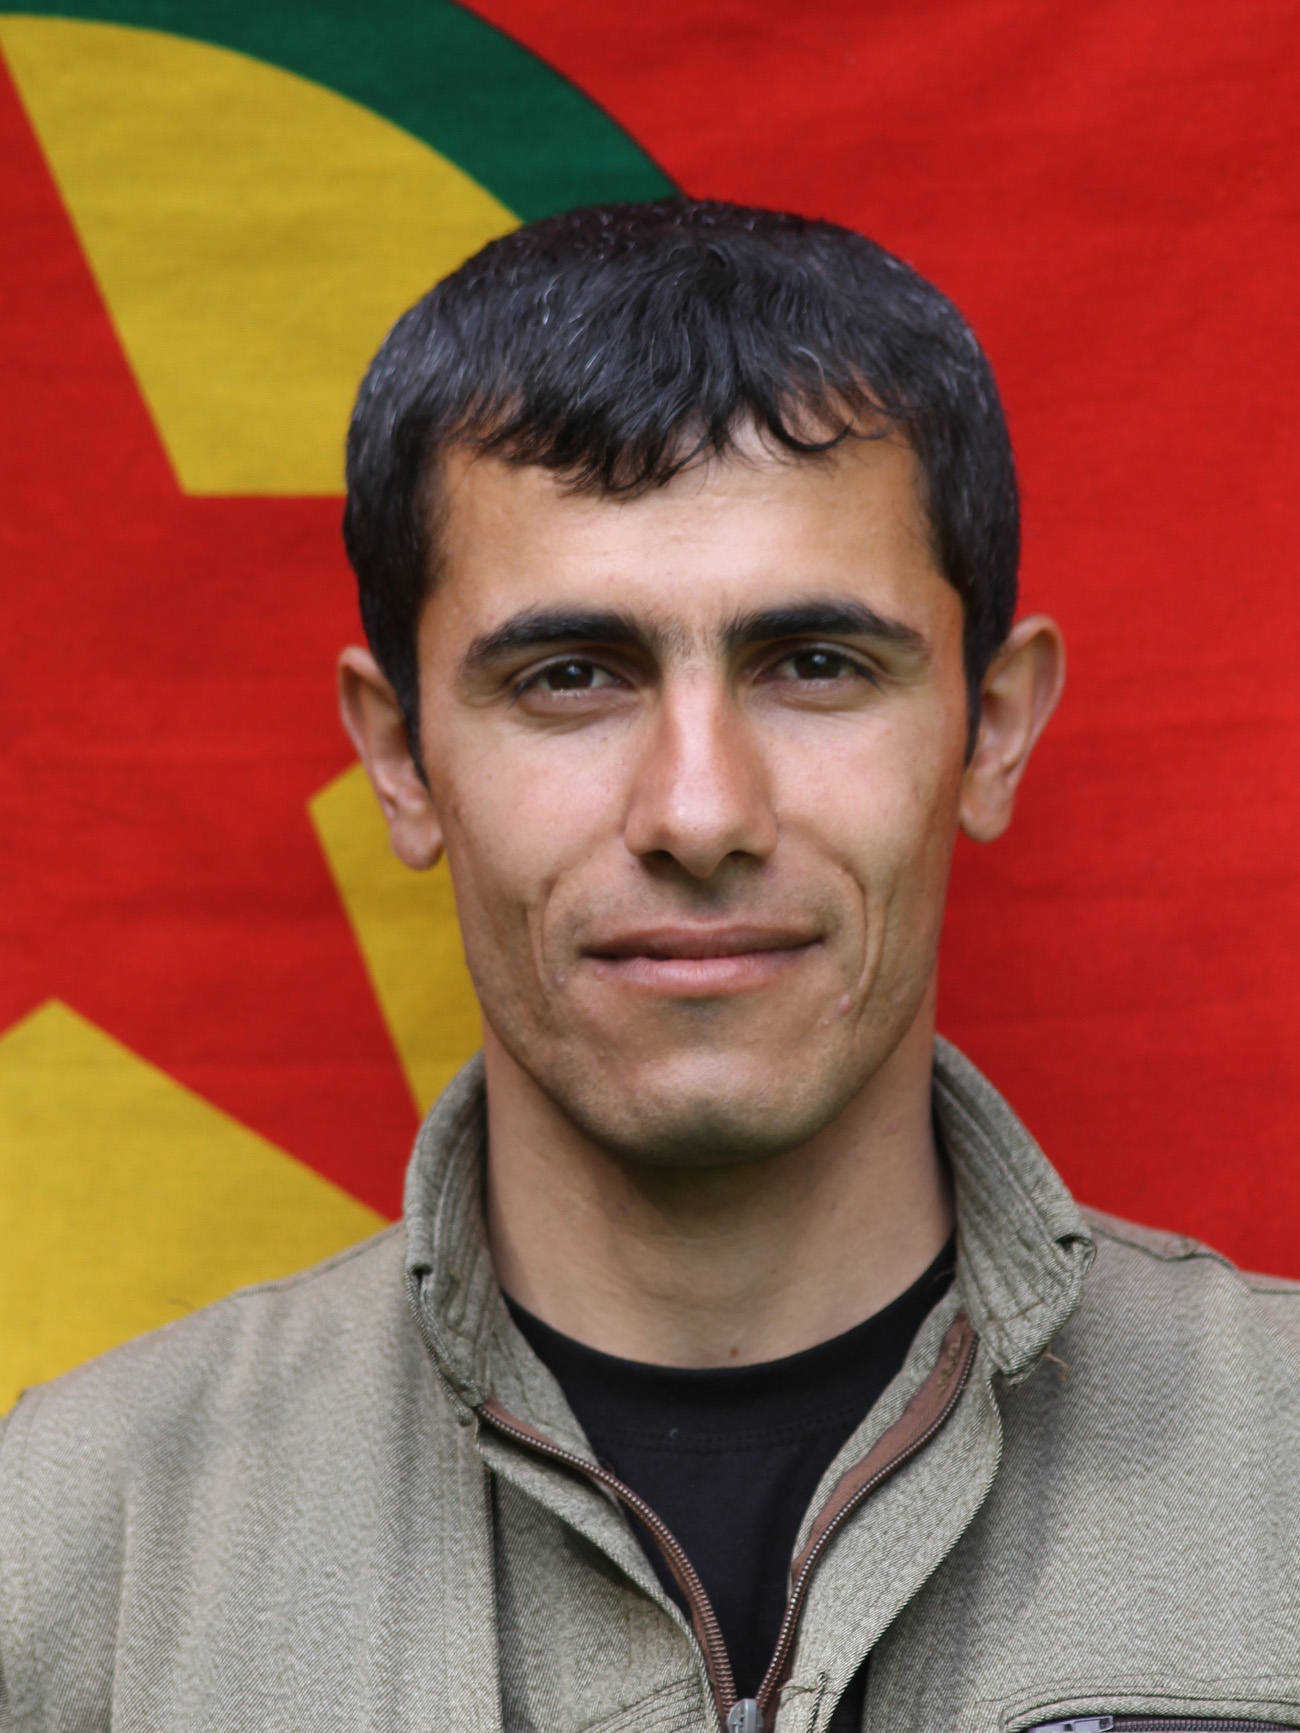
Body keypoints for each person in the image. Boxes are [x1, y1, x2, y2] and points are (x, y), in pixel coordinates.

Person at [2, 199, 1297, 1733]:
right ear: (401, 760)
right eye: (570, 675)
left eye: (815, 664)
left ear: (992, 729)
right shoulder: (79, 1553)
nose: (698, 810)